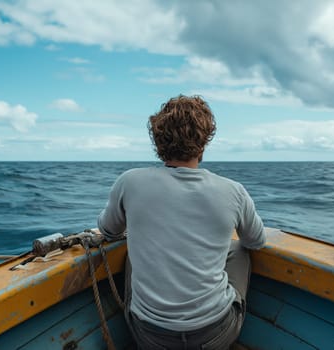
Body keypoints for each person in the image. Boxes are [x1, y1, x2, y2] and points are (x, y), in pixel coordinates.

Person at [97, 95, 265, 349]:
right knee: (240, 250)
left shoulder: (129, 182)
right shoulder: (233, 191)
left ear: (158, 141)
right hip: (214, 336)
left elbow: (108, 229)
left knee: (132, 254)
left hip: (149, 337)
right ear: (204, 140)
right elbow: (256, 240)